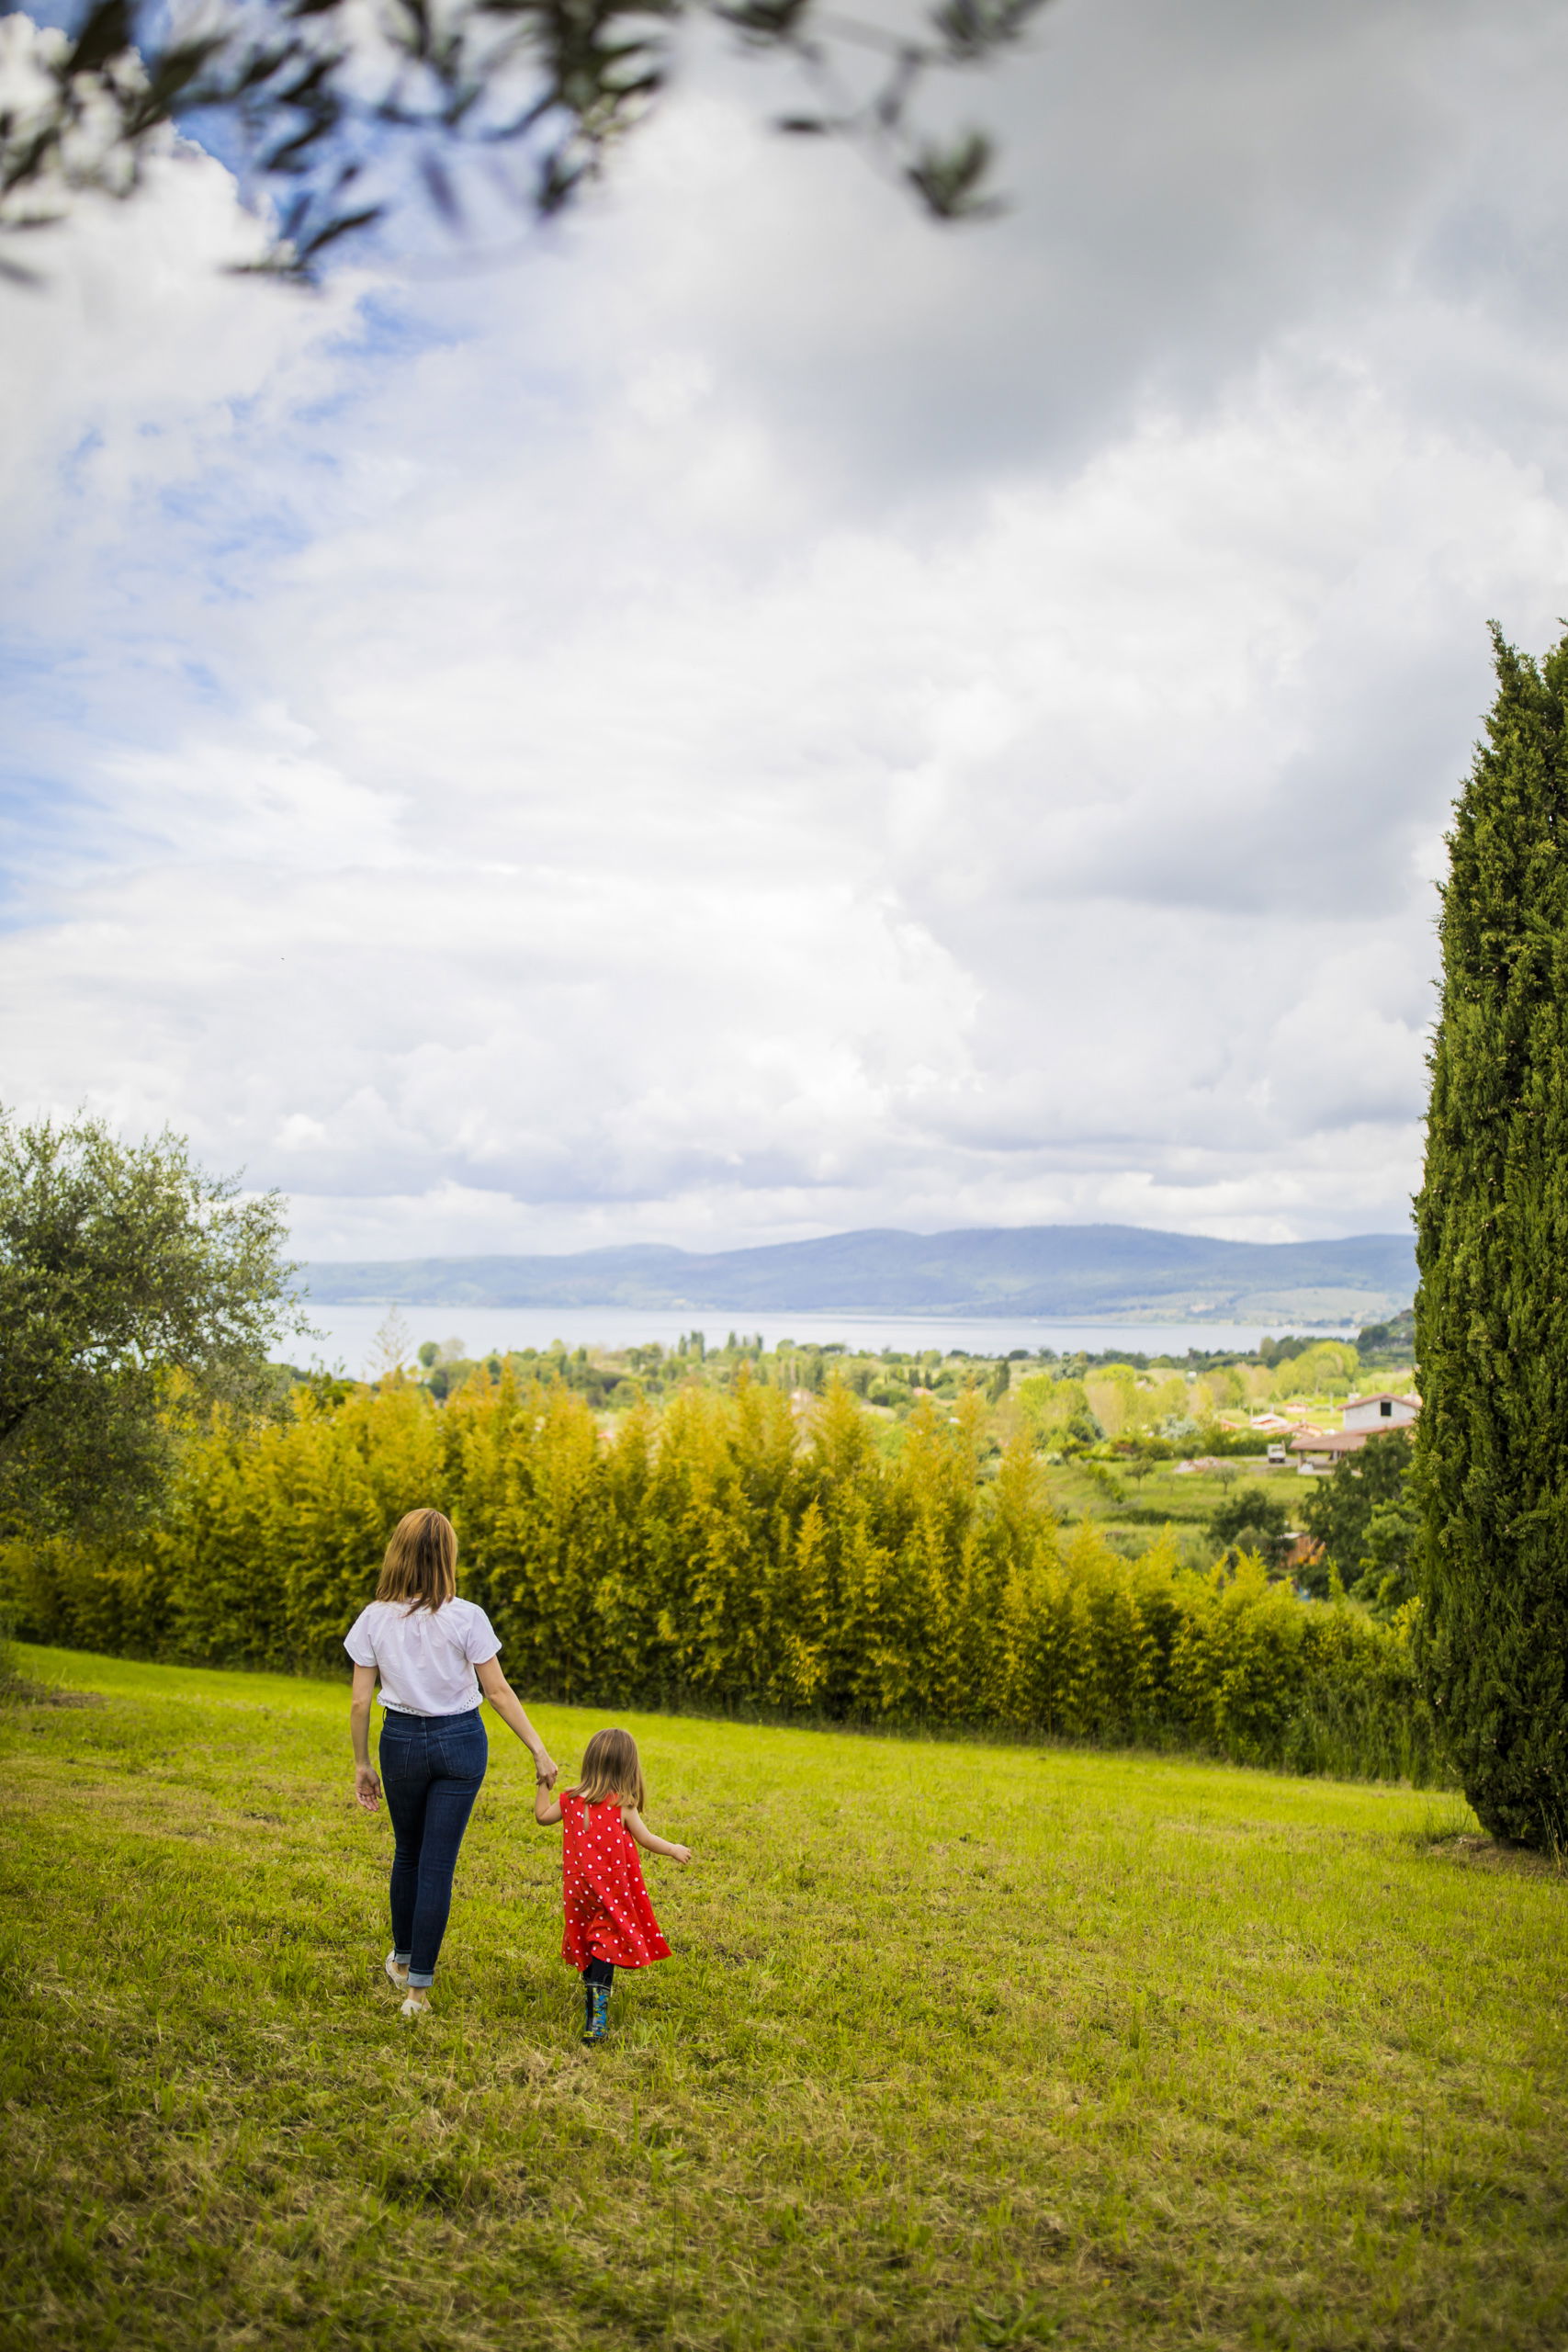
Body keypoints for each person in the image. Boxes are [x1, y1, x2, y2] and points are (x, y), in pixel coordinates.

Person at [345, 1506, 558, 2017]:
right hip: (462, 1741)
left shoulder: (374, 1617)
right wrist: (537, 1747)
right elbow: (499, 1690)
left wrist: (360, 1763)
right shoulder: (468, 1615)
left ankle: (401, 1959)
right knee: (437, 1865)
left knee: (408, 1854)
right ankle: (417, 1993)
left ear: (397, 1552)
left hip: (399, 1742)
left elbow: (358, 1702)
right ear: (448, 1557)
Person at [535, 1726, 691, 2043]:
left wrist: (544, 1785)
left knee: (589, 1942)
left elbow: (541, 1816)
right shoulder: (622, 1804)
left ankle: (594, 2006)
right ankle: (597, 2021)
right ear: (628, 1767)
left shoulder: (569, 1799)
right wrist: (674, 1848)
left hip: (578, 1891)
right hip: (611, 1891)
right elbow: (646, 1839)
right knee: (605, 1944)